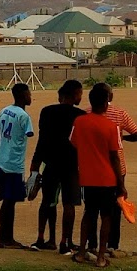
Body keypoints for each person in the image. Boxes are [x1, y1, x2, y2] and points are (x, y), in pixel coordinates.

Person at [69, 83, 125, 268]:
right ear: (106, 103)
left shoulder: (79, 122)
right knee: (106, 217)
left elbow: (74, 143)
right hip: (107, 179)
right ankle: (101, 256)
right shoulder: (111, 126)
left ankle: (81, 252)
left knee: (89, 214)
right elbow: (114, 157)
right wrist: (121, 183)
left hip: (87, 178)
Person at [28, 80, 84, 253]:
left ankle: (43, 238)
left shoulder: (47, 112)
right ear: (75, 94)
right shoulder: (81, 115)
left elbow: (42, 139)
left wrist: (35, 164)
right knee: (69, 204)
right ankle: (65, 242)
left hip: (51, 162)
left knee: (47, 201)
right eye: (80, 94)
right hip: (71, 164)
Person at [89, 86, 137, 256]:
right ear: (109, 97)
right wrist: (122, 137)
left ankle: (91, 244)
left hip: (92, 167)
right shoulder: (120, 113)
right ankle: (112, 244)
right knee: (114, 208)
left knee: (91, 209)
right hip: (116, 168)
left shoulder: (85, 114)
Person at [0, 83, 33, 249]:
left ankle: (6, 237)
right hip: (14, 164)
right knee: (10, 202)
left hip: (0, 160)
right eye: (29, 94)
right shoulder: (24, 116)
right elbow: (29, 134)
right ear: (23, 96)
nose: (30, 97)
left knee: (7, 201)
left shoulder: (4, 110)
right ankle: (6, 238)